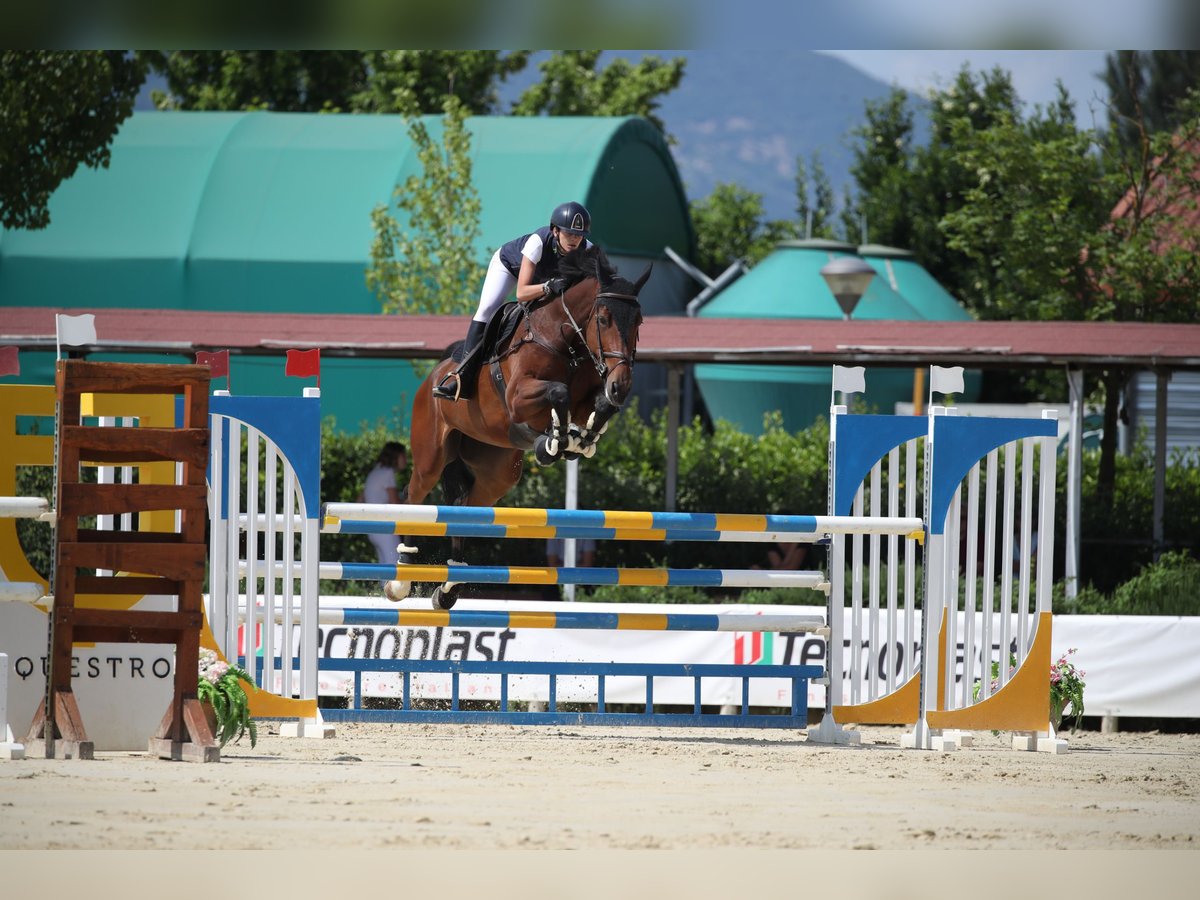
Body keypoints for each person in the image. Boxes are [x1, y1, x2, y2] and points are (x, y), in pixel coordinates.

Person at [433, 201, 594, 400]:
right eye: (569, 233)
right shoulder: (537, 242)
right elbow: (522, 293)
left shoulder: (587, 251)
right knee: (487, 309)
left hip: (546, 280)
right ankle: (461, 377)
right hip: (510, 268)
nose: (574, 240)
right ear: (555, 231)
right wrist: (547, 287)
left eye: (578, 235)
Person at [359, 441, 407, 568]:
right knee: (395, 566)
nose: (406, 459)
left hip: (372, 528)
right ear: (396, 456)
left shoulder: (375, 471)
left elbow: (360, 499)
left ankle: (382, 588)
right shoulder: (388, 473)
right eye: (404, 455)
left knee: (384, 568)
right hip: (385, 527)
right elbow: (395, 503)